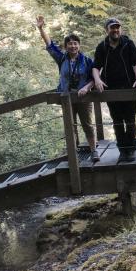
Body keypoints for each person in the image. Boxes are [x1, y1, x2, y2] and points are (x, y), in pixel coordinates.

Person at [36, 16, 99, 162]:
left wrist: (87, 87)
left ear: (79, 45)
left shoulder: (87, 60)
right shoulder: (62, 58)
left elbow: (93, 79)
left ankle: (94, 150)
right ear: (66, 46)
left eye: (75, 43)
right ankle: (74, 152)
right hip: (66, 97)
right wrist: (41, 28)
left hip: (83, 97)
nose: (73, 46)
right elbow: (50, 45)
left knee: (87, 124)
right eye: (70, 44)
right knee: (70, 125)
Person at [92, 17, 136, 162]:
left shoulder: (128, 43)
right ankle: (123, 149)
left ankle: (131, 149)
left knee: (130, 120)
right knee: (117, 121)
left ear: (120, 29)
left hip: (129, 88)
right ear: (107, 30)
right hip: (111, 91)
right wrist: (97, 79)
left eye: (117, 27)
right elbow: (96, 67)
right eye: (112, 28)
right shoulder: (102, 47)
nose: (115, 30)